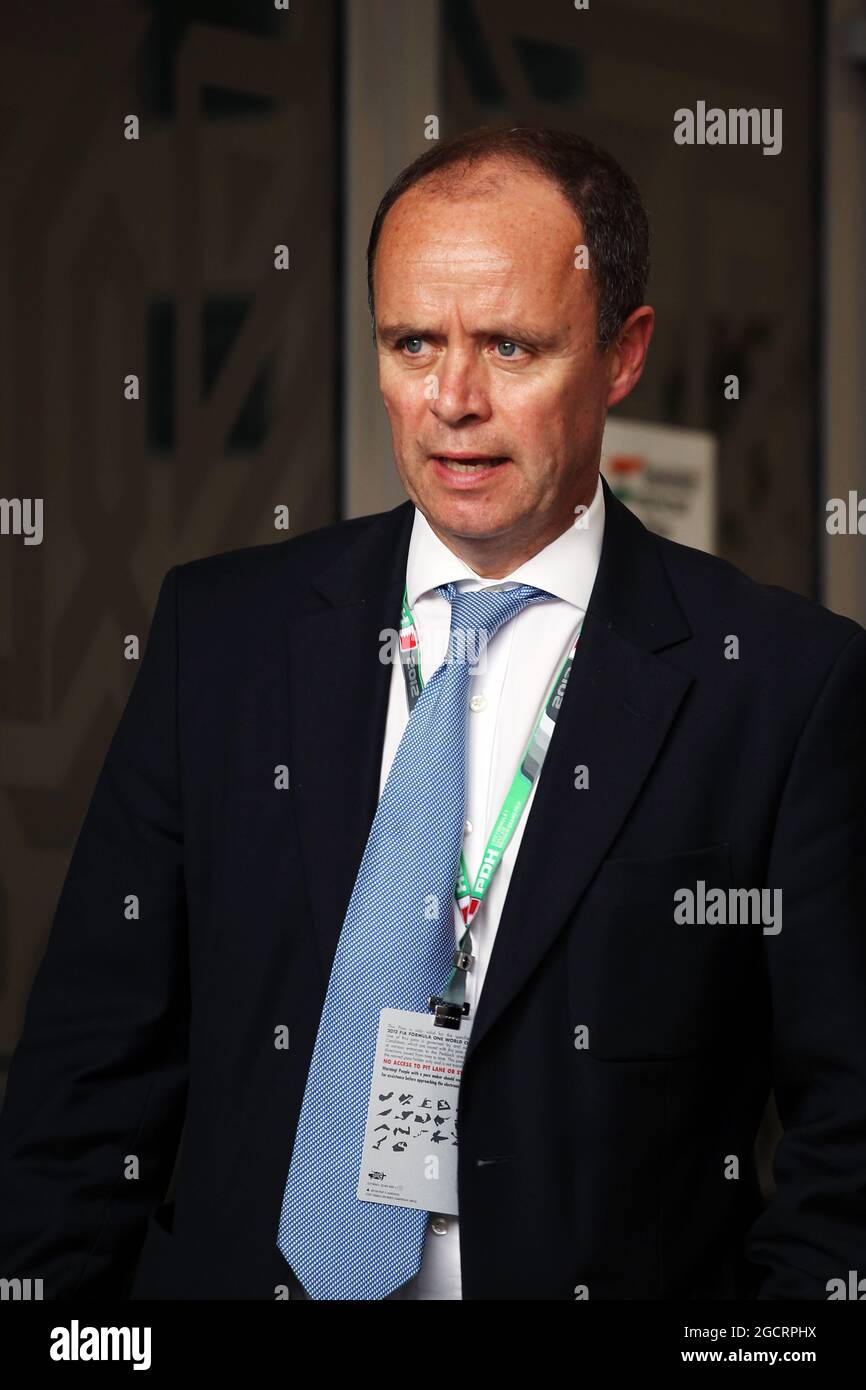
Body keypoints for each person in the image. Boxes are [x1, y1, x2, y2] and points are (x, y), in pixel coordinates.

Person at [1, 127, 864, 1302]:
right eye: (413, 343)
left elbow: (847, 1148)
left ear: (622, 352)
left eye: (510, 346)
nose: (452, 401)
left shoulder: (779, 684)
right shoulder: (222, 640)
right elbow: (84, 1078)